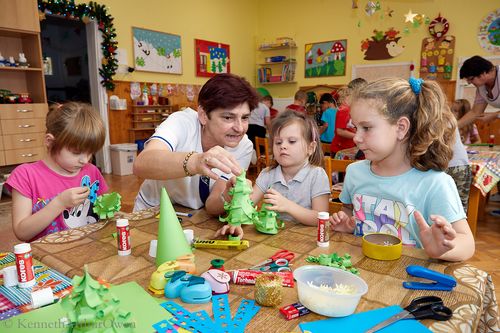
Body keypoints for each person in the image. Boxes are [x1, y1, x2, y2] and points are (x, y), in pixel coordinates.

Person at [330, 77, 474, 262]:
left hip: (405, 281)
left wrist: (444, 248)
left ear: (401, 128)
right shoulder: (355, 172)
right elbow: (350, 211)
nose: (356, 138)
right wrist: (346, 223)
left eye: (366, 128)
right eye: (355, 127)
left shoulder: (435, 183)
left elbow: (467, 243)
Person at [133, 73, 259, 216]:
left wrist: (228, 195)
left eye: (245, 118)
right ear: (203, 115)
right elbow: (142, 164)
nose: (239, 128)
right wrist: (196, 162)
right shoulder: (182, 122)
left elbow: (212, 205)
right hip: (154, 211)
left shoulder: (243, 146)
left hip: (193, 216)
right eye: (228, 117)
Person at [217, 110, 330, 237]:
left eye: (292, 141)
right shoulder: (267, 174)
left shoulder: (317, 175)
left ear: (311, 148)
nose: (283, 146)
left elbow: (320, 218)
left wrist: (287, 206)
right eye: (278, 142)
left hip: (305, 240)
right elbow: (247, 206)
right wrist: (235, 210)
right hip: (273, 239)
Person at [6, 102, 108, 242]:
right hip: (47, 259)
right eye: (76, 152)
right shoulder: (26, 176)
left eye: (90, 152)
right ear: (50, 141)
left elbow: (104, 214)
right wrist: (60, 203)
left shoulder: (91, 171)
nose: (85, 160)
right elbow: (22, 232)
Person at [458, 56, 500, 128]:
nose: (469, 83)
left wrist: (495, 115)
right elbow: (475, 112)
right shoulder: (482, 86)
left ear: (483, 73)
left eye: (471, 79)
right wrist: (453, 127)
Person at [330, 78, 367, 154]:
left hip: (349, 148)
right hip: (340, 150)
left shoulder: (352, 108)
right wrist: (358, 136)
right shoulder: (344, 109)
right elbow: (339, 131)